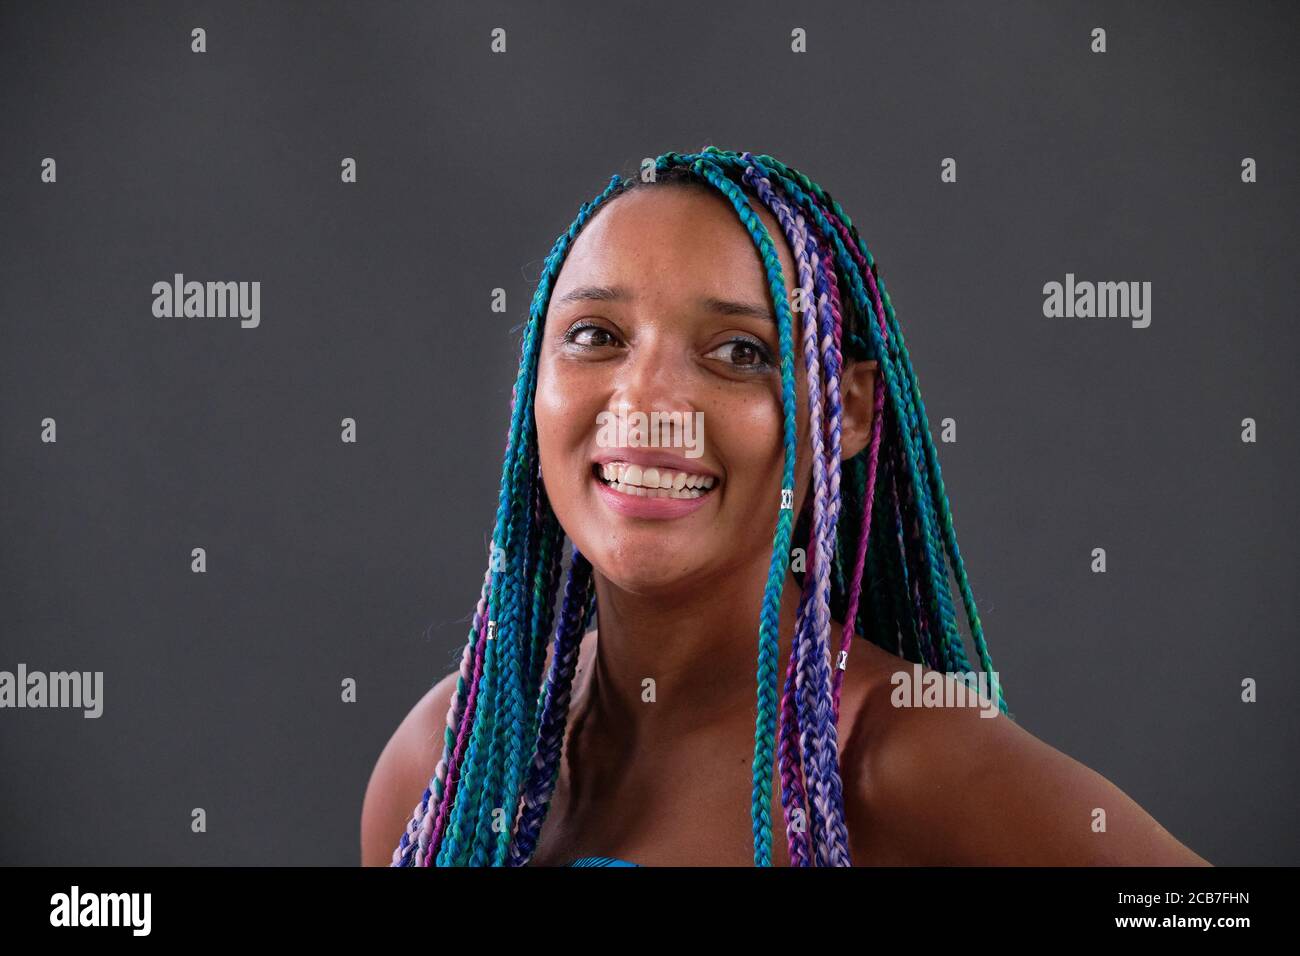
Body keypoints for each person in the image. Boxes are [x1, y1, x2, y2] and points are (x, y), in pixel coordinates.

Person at [361, 147, 1210, 867]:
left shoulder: (897, 761)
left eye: (739, 351)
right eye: (596, 336)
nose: (647, 400)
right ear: (532, 386)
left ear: (844, 411)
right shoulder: (449, 760)